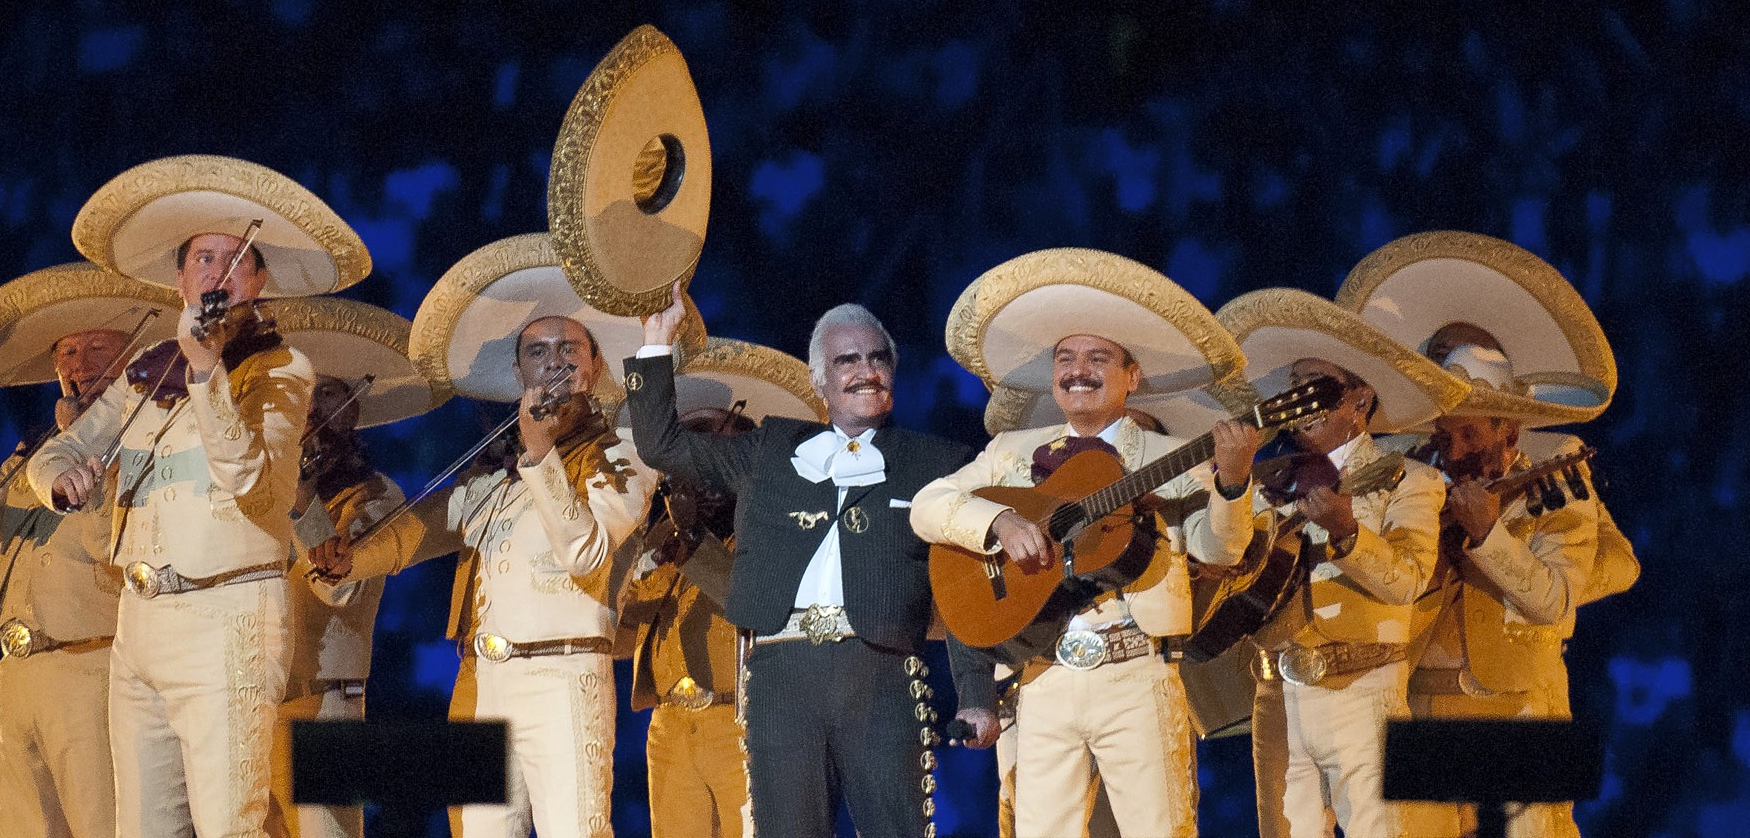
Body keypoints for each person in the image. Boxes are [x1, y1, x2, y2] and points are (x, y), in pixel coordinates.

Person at [28, 155, 370, 838]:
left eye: (234, 260)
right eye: (203, 259)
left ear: (258, 281)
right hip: (141, 620)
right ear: (180, 278)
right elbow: (59, 451)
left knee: (229, 825)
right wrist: (61, 482)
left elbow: (251, 481)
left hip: (229, 617)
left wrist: (208, 369)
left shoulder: (281, 370)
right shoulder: (147, 370)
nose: (217, 272)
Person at [318, 233, 658, 838]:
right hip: (482, 682)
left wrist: (538, 449)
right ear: (518, 372)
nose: (554, 362)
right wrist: (353, 559)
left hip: (565, 679)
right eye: (538, 352)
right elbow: (421, 527)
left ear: (596, 365)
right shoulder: (498, 480)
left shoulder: (624, 454)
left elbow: (585, 551)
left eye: (570, 349)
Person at [912, 248, 1258, 838]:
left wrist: (1233, 481)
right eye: (1066, 358)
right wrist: (1000, 525)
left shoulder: (1166, 456)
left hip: (1138, 674)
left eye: (1099, 358)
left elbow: (1220, 550)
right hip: (1043, 674)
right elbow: (927, 507)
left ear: (1132, 376)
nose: (1079, 370)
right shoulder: (1013, 452)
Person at [623, 283, 972, 838]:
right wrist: (656, 340)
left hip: (878, 672)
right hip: (779, 675)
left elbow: (963, 587)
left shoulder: (938, 461)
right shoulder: (770, 449)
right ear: (819, 380)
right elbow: (663, 445)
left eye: (878, 357)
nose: (866, 370)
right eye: (847, 360)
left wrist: (976, 695)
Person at [1337, 232, 1641, 837]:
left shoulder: (1556, 465)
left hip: (1523, 697)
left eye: (1471, 435)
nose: (1456, 452)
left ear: (1509, 427)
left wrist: (1488, 535)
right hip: (1418, 695)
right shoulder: (1409, 468)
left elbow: (1562, 593)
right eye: (1445, 435)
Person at [0, 262, 179, 838]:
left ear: (133, 356)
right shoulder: (38, 451)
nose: (77, 365)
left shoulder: (153, 439)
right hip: (19, 673)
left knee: (105, 825)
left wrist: (94, 449)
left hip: (96, 664)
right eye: (67, 353)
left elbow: (127, 544)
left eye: (94, 348)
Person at [1216, 287, 1471, 838]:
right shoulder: (1264, 482)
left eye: (1319, 387)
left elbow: (1406, 581)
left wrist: (1349, 533)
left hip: (1364, 691)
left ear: (1360, 399)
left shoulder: (1412, 479)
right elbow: (1225, 562)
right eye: (1294, 388)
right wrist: (1232, 482)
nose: (1302, 399)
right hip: (1277, 697)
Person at [619, 338, 822, 838]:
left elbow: (756, 607)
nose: (699, 476)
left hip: (744, 724)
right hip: (670, 726)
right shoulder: (662, 537)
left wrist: (690, 542)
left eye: (716, 454)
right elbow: (620, 639)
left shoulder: (781, 529)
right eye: (688, 455)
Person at [264, 296, 445, 838]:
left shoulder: (374, 492)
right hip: (261, 698)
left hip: (328, 702)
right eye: (304, 393)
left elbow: (338, 588)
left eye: (328, 395)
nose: (313, 408)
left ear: (355, 412)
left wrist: (302, 500)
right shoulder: (268, 491)